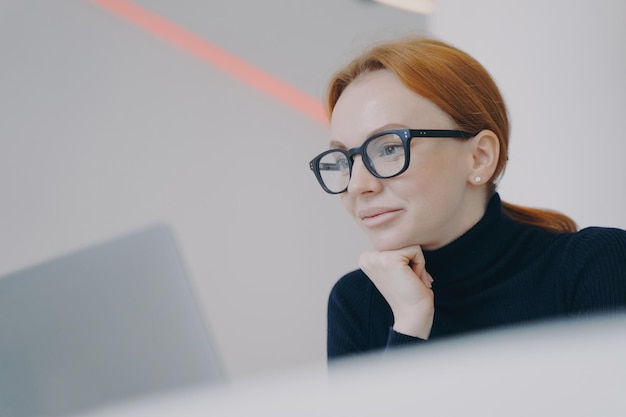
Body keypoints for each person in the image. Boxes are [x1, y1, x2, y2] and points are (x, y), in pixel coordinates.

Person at [308, 36, 626, 360]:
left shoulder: (597, 266)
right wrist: (410, 324)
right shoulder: (357, 303)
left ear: (480, 157)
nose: (358, 185)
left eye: (389, 148)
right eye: (344, 159)